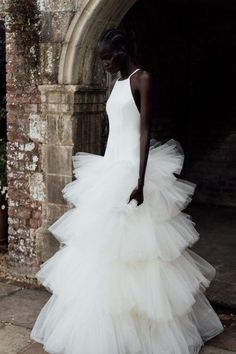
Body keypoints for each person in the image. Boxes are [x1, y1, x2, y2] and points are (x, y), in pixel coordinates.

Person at [30, 28, 224, 354]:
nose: (104, 63)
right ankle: (106, 331)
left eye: (108, 57)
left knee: (143, 252)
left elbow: (144, 130)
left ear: (122, 51)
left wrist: (141, 181)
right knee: (103, 251)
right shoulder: (116, 83)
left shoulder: (141, 78)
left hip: (133, 172)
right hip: (109, 168)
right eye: (101, 58)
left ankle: (148, 330)